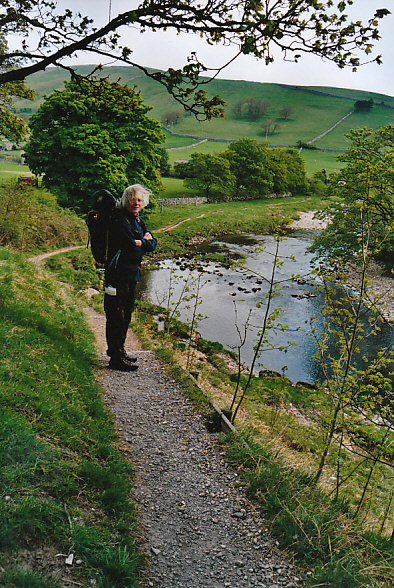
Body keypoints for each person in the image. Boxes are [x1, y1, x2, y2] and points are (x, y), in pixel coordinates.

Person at [104, 184, 157, 371]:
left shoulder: (137, 220)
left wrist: (142, 242)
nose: (137, 203)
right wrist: (145, 241)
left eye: (140, 200)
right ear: (127, 200)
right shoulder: (119, 220)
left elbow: (154, 243)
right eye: (133, 199)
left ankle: (120, 350)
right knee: (116, 314)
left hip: (132, 274)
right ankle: (115, 358)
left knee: (126, 314)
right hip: (118, 274)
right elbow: (129, 247)